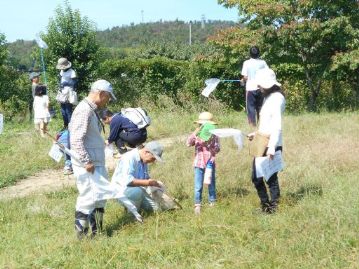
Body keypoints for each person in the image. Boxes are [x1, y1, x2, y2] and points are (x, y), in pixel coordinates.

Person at [69, 79, 117, 239]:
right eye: (108, 97)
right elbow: (76, 139)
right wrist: (86, 161)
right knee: (88, 197)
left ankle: (98, 233)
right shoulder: (84, 110)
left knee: (100, 197)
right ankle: (81, 237)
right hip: (88, 163)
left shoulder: (91, 109)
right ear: (101, 93)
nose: (108, 101)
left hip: (96, 162)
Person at [247, 68, 285, 214]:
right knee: (258, 177)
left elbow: (277, 126)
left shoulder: (276, 99)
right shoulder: (269, 97)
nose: (259, 88)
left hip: (270, 144)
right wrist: (255, 133)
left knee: (269, 178)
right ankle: (267, 207)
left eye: (261, 85)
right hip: (262, 141)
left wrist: (271, 147)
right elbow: (266, 123)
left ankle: (272, 208)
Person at [111, 141, 164, 222]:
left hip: (137, 190)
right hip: (121, 190)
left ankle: (136, 208)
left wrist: (152, 182)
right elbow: (128, 181)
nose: (153, 161)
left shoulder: (144, 160)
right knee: (136, 191)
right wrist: (148, 182)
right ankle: (132, 217)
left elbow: (144, 178)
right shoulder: (129, 157)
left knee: (157, 210)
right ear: (146, 152)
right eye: (153, 158)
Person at [186, 112, 220, 215]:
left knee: (211, 183)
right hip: (199, 163)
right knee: (198, 185)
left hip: (210, 162)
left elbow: (218, 148)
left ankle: (212, 202)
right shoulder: (197, 135)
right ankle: (197, 204)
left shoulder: (214, 134)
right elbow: (188, 143)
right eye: (201, 125)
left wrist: (210, 144)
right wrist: (195, 133)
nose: (202, 127)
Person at [241, 46, 269, 128]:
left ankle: (252, 126)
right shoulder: (263, 63)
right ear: (258, 53)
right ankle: (262, 125)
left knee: (250, 108)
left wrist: (242, 80)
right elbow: (268, 73)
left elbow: (245, 77)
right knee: (260, 107)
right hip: (261, 88)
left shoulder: (246, 63)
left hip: (250, 88)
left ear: (250, 54)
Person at [56, 57, 77, 128]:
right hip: (62, 92)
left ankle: (70, 126)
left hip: (69, 93)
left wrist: (66, 83)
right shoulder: (62, 71)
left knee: (68, 110)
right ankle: (65, 125)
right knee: (63, 111)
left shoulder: (72, 72)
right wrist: (60, 86)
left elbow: (75, 83)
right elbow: (61, 79)